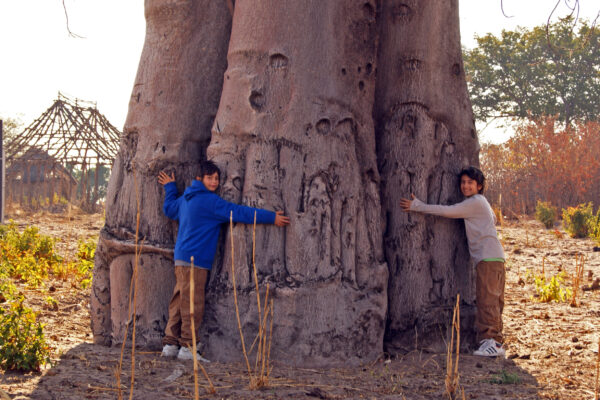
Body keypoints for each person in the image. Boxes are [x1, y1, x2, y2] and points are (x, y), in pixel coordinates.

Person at [158, 160, 290, 361]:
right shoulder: (211, 202)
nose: (214, 182)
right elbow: (240, 213)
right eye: (209, 178)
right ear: (199, 179)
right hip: (196, 261)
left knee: (179, 299)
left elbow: (169, 209)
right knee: (193, 303)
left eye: (216, 178)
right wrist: (271, 217)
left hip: (181, 258)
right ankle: (187, 346)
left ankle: (170, 344)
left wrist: (170, 188)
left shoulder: (186, 197)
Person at [399, 166, 506, 357]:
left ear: (479, 186)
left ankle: (493, 343)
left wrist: (418, 206)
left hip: (488, 258)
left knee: (487, 300)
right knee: (493, 300)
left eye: (470, 183)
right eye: (463, 182)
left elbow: (447, 211)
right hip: (493, 257)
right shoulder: (481, 202)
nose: (465, 186)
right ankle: (495, 341)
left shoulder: (475, 202)